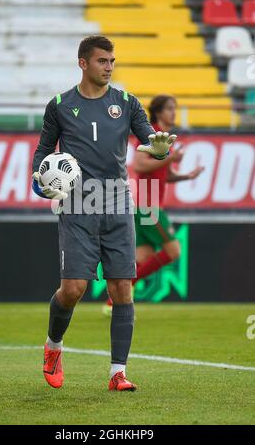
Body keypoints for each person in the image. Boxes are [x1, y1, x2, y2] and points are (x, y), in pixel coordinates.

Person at [32, 36, 177, 392]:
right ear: (83, 63)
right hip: (78, 206)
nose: (109, 67)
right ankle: (53, 347)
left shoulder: (126, 102)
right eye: (102, 61)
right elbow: (42, 153)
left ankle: (117, 373)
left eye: (112, 61)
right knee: (73, 289)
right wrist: (41, 183)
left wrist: (158, 147)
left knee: (122, 289)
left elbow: (148, 138)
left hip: (116, 204)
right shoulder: (61, 105)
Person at [103, 95, 204, 313]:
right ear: (158, 112)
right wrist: (171, 158)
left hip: (142, 206)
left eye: (174, 108)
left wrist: (187, 176)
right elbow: (139, 165)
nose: (173, 113)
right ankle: (124, 288)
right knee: (174, 251)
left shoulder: (163, 138)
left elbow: (164, 173)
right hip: (149, 207)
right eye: (169, 108)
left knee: (143, 259)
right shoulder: (151, 135)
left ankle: (113, 301)